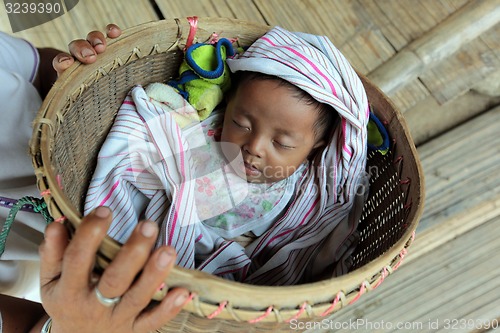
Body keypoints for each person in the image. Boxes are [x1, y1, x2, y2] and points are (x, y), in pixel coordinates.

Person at [84, 26, 370, 286]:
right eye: (241, 124)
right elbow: (163, 130)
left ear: (315, 149)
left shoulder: (300, 195)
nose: (254, 146)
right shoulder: (206, 129)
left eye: (281, 143)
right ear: (227, 106)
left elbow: (292, 247)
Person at [0, 25, 189, 333]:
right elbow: (28, 325)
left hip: (106, 141)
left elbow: (36, 69)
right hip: (77, 273)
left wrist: (68, 81)